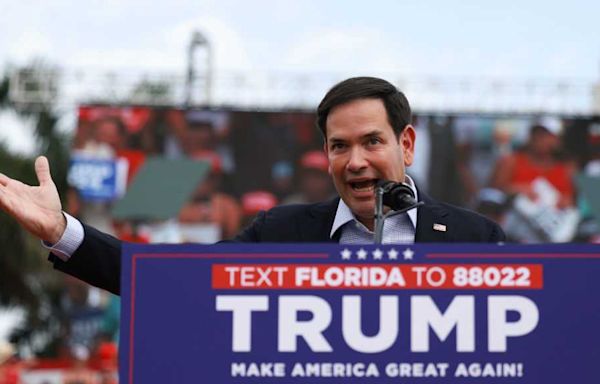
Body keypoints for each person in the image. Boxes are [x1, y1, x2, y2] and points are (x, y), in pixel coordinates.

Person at [0, 77, 505, 295]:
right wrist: (63, 231)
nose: (355, 163)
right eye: (338, 146)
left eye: (372, 142)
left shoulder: (474, 238)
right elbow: (170, 280)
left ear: (407, 145)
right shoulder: (280, 233)